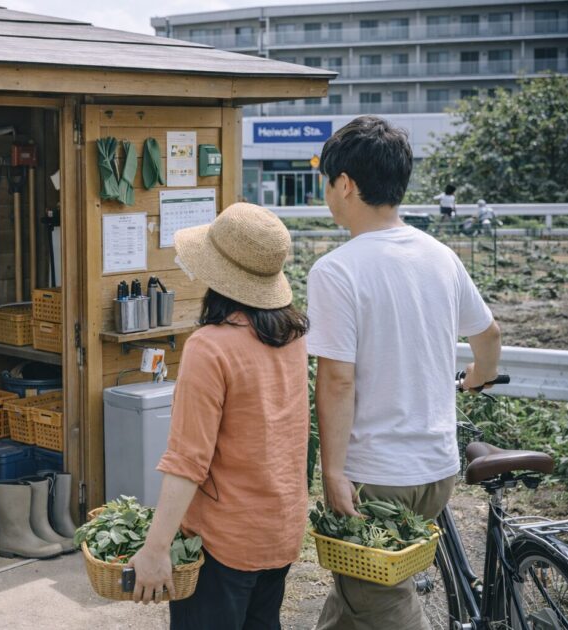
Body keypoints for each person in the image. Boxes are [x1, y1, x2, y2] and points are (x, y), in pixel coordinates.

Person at [308, 116, 501, 630]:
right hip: (437, 469)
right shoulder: (440, 256)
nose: (326, 193)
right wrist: (478, 378)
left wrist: (332, 471)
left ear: (344, 183)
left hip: (378, 474)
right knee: (359, 593)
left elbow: (337, 381)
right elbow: (489, 338)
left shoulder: (336, 269)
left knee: (382, 600)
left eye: (326, 182)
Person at [127, 203, 311, 630]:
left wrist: (156, 548)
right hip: (279, 528)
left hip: (223, 540)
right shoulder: (292, 335)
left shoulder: (209, 346)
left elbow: (188, 460)